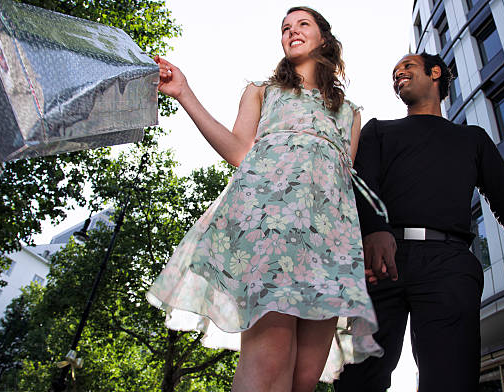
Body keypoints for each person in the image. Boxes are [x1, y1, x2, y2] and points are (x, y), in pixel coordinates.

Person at [146, 7, 387, 392]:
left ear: (323, 38)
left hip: (329, 244)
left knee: (305, 377)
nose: (291, 31)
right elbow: (238, 151)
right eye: (285, 27)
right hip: (271, 226)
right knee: (270, 358)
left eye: (302, 24)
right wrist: (183, 93)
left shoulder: (349, 113)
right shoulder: (262, 91)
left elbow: (342, 183)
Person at [334, 52, 504, 392]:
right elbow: (362, 187)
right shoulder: (378, 131)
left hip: (450, 263)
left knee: (451, 381)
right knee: (357, 381)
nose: (398, 74)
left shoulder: (472, 140)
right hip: (380, 263)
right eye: (394, 72)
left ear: (435, 73)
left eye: (407, 67)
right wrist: (375, 229)